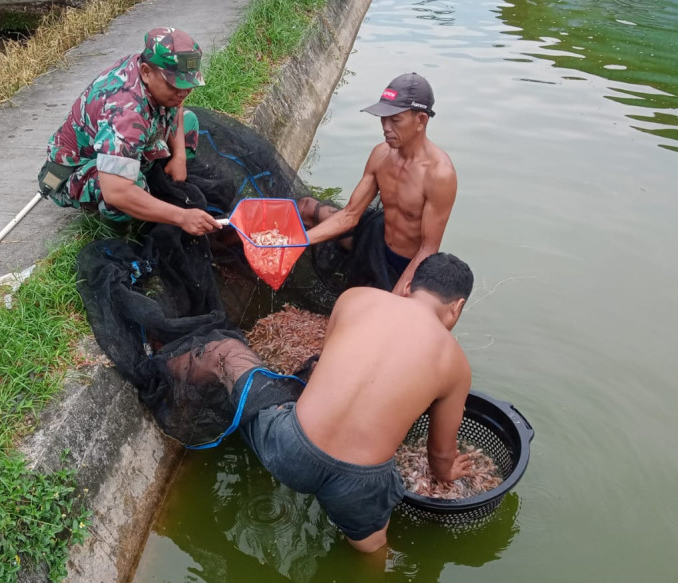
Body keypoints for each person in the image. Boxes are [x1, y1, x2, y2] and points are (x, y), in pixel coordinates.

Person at [236, 252, 474, 552]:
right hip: (358, 483)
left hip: (292, 448)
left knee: (232, 361)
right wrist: (446, 474)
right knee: (372, 546)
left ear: (408, 284)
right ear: (458, 307)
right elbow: (440, 454)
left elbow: (324, 364)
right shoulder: (456, 363)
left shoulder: (354, 298)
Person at [41, 27, 221, 237]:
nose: (182, 93)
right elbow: (116, 192)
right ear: (146, 72)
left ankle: (164, 192)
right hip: (70, 174)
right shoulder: (124, 113)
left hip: (120, 146)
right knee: (127, 186)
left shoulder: (152, 69)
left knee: (189, 121)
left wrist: (179, 156)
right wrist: (181, 217)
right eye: (174, 85)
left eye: (188, 85)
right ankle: (117, 241)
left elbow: (177, 104)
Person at [301, 73, 458, 295]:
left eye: (395, 120)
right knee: (304, 209)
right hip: (374, 242)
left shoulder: (439, 174)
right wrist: (299, 241)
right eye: (383, 118)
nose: (385, 127)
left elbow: (428, 249)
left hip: (404, 263)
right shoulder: (380, 154)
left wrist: (391, 302)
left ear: (421, 120)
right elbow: (349, 215)